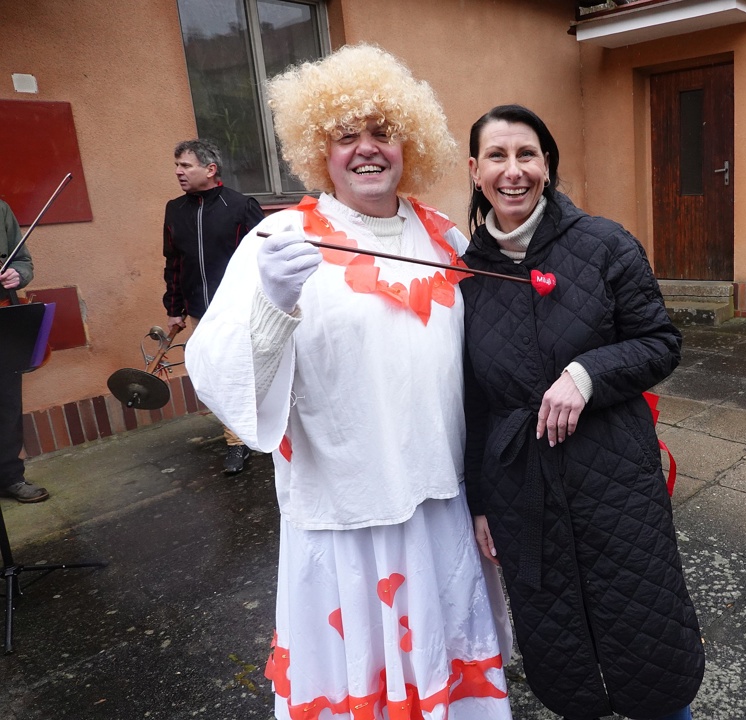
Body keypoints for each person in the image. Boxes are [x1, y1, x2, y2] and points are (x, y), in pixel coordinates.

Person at [184, 44, 513, 720]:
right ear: (319, 150)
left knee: (442, 661)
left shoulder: (446, 240)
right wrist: (272, 305)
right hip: (346, 511)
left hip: (440, 499)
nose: (366, 149)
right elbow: (217, 375)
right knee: (364, 671)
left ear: (408, 142)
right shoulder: (281, 239)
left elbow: (490, 362)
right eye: (345, 135)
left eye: (382, 131)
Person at [461, 104, 704, 720]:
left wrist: (587, 374)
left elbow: (660, 343)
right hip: (520, 488)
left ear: (547, 165)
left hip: (614, 475)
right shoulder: (465, 276)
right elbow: (473, 404)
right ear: (474, 170)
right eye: (496, 156)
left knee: (648, 638)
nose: (513, 171)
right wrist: (481, 504)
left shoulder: (604, 244)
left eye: (527, 154)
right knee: (560, 646)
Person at [163, 139, 264, 474]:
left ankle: (273, 427)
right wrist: (174, 307)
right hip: (200, 311)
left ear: (210, 169)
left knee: (252, 371)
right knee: (218, 375)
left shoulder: (241, 206)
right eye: (177, 165)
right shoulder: (175, 210)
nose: (178, 172)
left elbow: (265, 259)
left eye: (186, 165)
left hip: (242, 310)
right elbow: (173, 262)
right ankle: (236, 442)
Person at [0, 198, 49, 503]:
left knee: (7, 403)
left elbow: (22, 261)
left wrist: (18, 274)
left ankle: (10, 477)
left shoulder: (0, 209)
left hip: (3, 317)